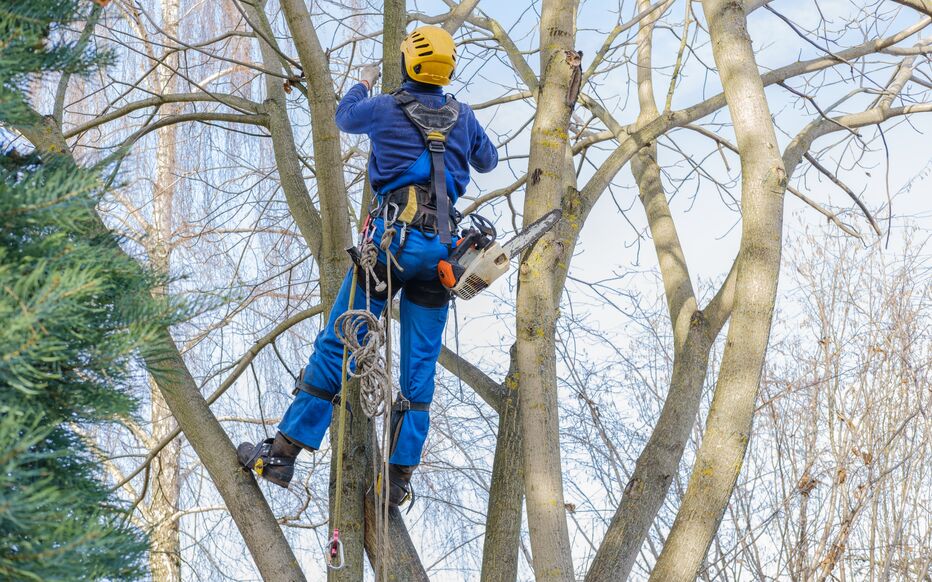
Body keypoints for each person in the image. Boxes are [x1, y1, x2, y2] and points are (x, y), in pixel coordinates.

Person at [237, 26, 498, 508]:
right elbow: (489, 161)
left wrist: (362, 80)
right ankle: (397, 478)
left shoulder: (384, 107)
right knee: (420, 368)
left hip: (393, 244)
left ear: (407, 65)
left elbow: (343, 116)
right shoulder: (464, 117)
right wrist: (460, 129)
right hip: (442, 254)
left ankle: (282, 453)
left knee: (341, 339)